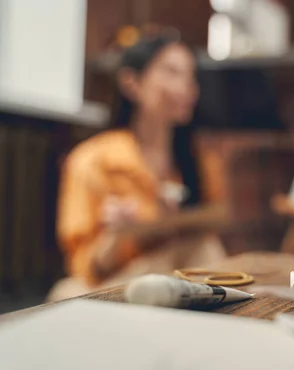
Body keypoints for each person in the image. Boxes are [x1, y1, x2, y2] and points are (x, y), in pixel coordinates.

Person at [49, 35, 226, 301]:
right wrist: (116, 235)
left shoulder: (198, 158)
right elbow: (84, 268)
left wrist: (172, 223)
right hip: (121, 281)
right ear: (132, 82)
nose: (187, 86)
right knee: (67, 292)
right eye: (171, 72)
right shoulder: (92, 160)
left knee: (204, 248)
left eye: (191, 76)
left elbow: (218, 217)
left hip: (179, 277)